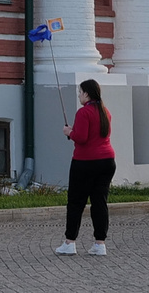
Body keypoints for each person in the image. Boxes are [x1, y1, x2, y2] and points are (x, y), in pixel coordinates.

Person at [59, 77, 113, 254]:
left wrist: (69, 132)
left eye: (80, 92)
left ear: (87, 94)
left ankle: (70, 242)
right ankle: (100, 244)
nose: (79, 96)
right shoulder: (105, 111)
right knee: (99, 202)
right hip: (107, 161)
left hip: (85, 162)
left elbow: (81, 138)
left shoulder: (83, 112)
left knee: (76, 202)